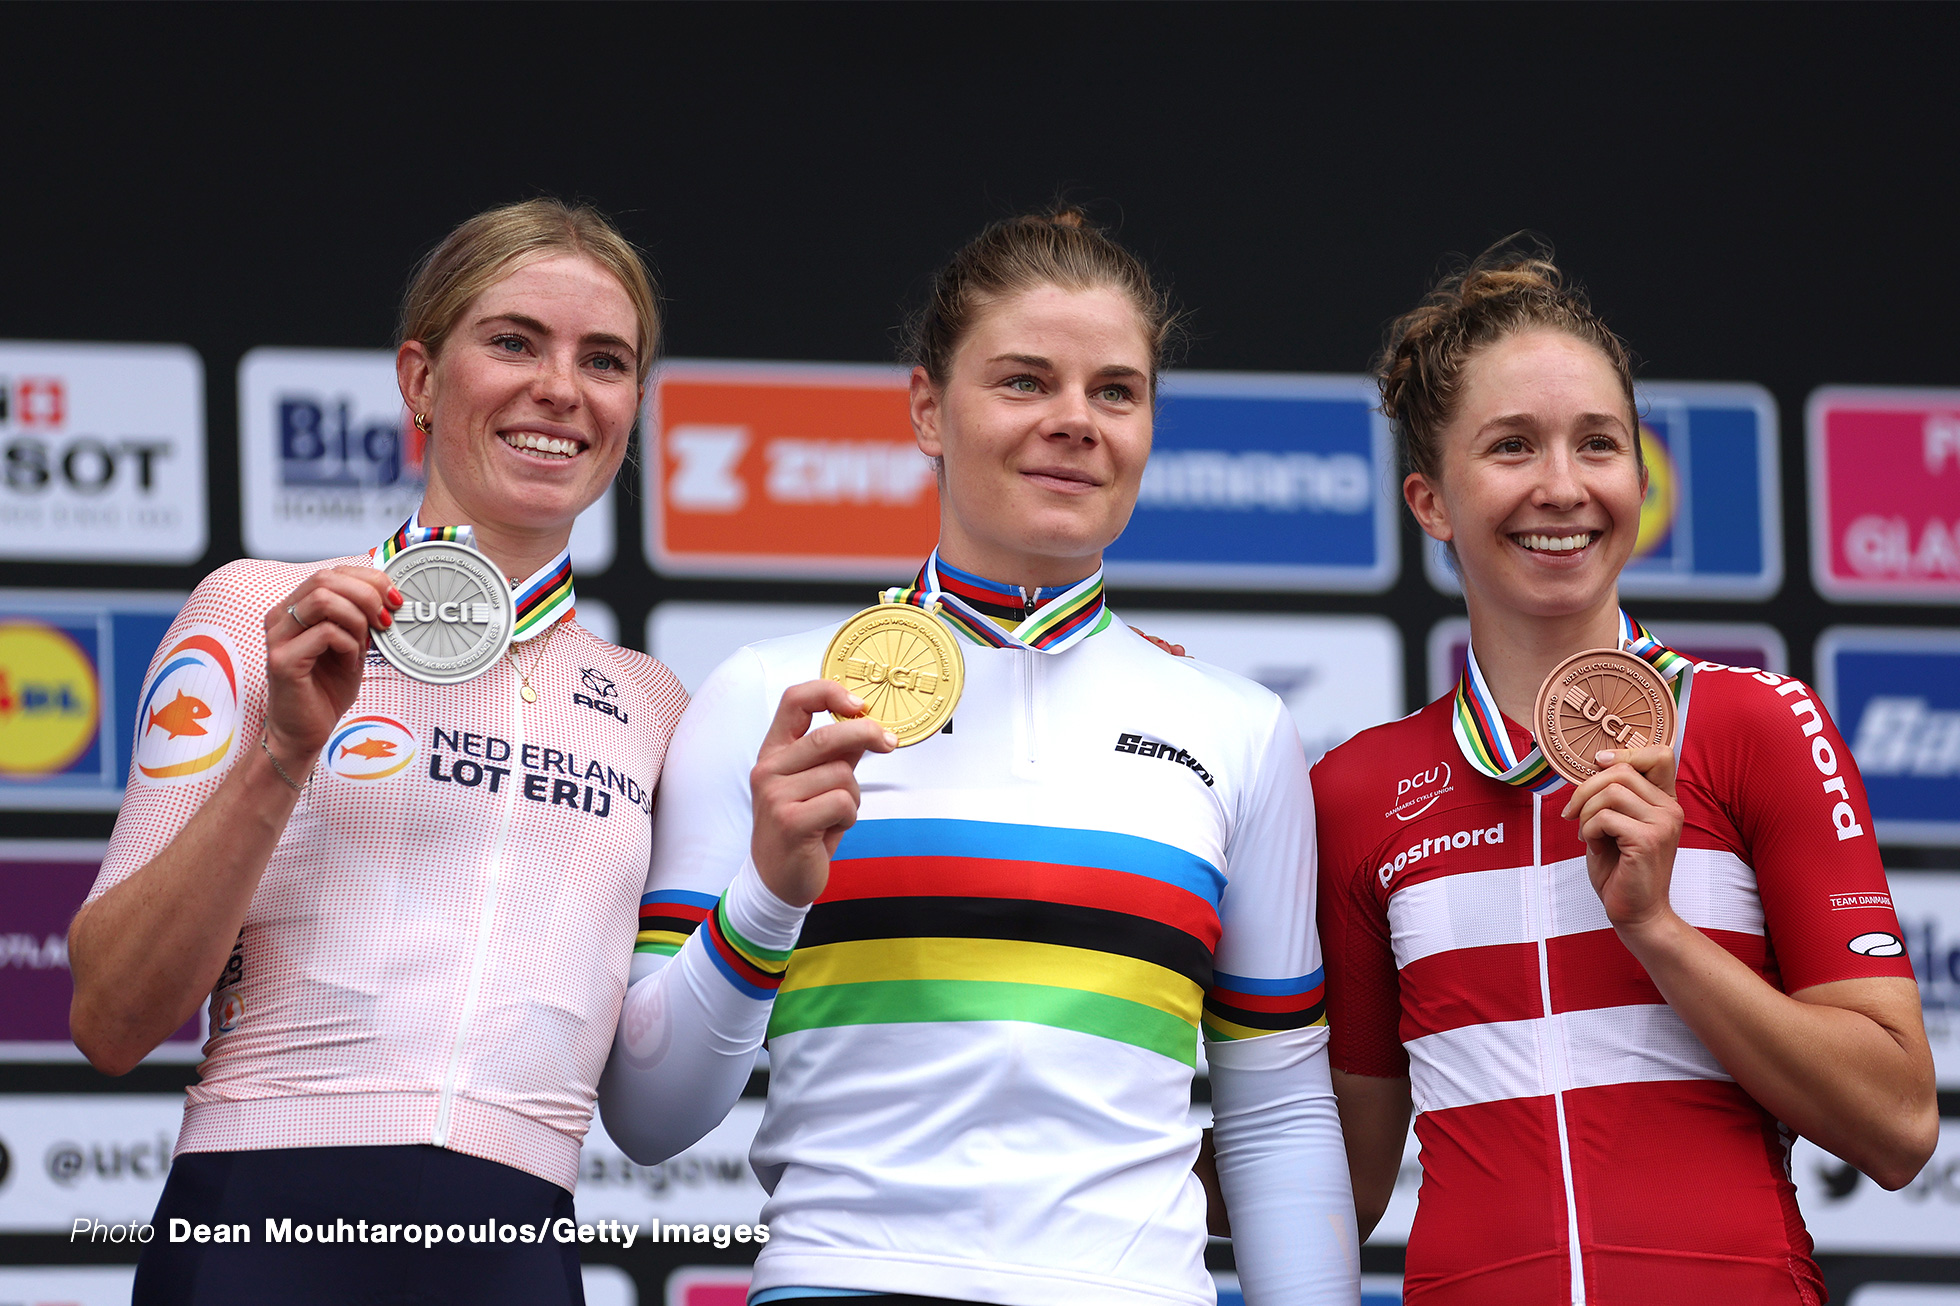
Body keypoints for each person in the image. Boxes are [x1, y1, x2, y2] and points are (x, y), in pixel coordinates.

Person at [597, 211, 1358, 1306]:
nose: (1074, 422)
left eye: (1115, 391)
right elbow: (651, 1114)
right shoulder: (771, 696)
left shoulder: (1236, 727)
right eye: (1022, 381)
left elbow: (1278, 1112)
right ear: (926, 409)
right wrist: (766, 892)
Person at [67, 198, 687, 1305]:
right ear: (420, 380)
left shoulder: (652, 705)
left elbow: (663, 1091)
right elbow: (110, 1018)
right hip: (260, 1227)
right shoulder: (262, 613)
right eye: (512, 341)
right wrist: (281, 758)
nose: (560, 387)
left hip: (516, 1250)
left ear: (631, 407)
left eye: (605, 359)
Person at [1312, 243, 1937, 1304]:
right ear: (1428, 500)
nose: (1562, 486)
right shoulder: (1360, 790)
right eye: (1511, 446)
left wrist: (1659, 931)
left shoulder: (1755, 723)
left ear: (1638, 480)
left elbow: (1898, 1124)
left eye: (1596, 444)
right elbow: (1343, 1177)